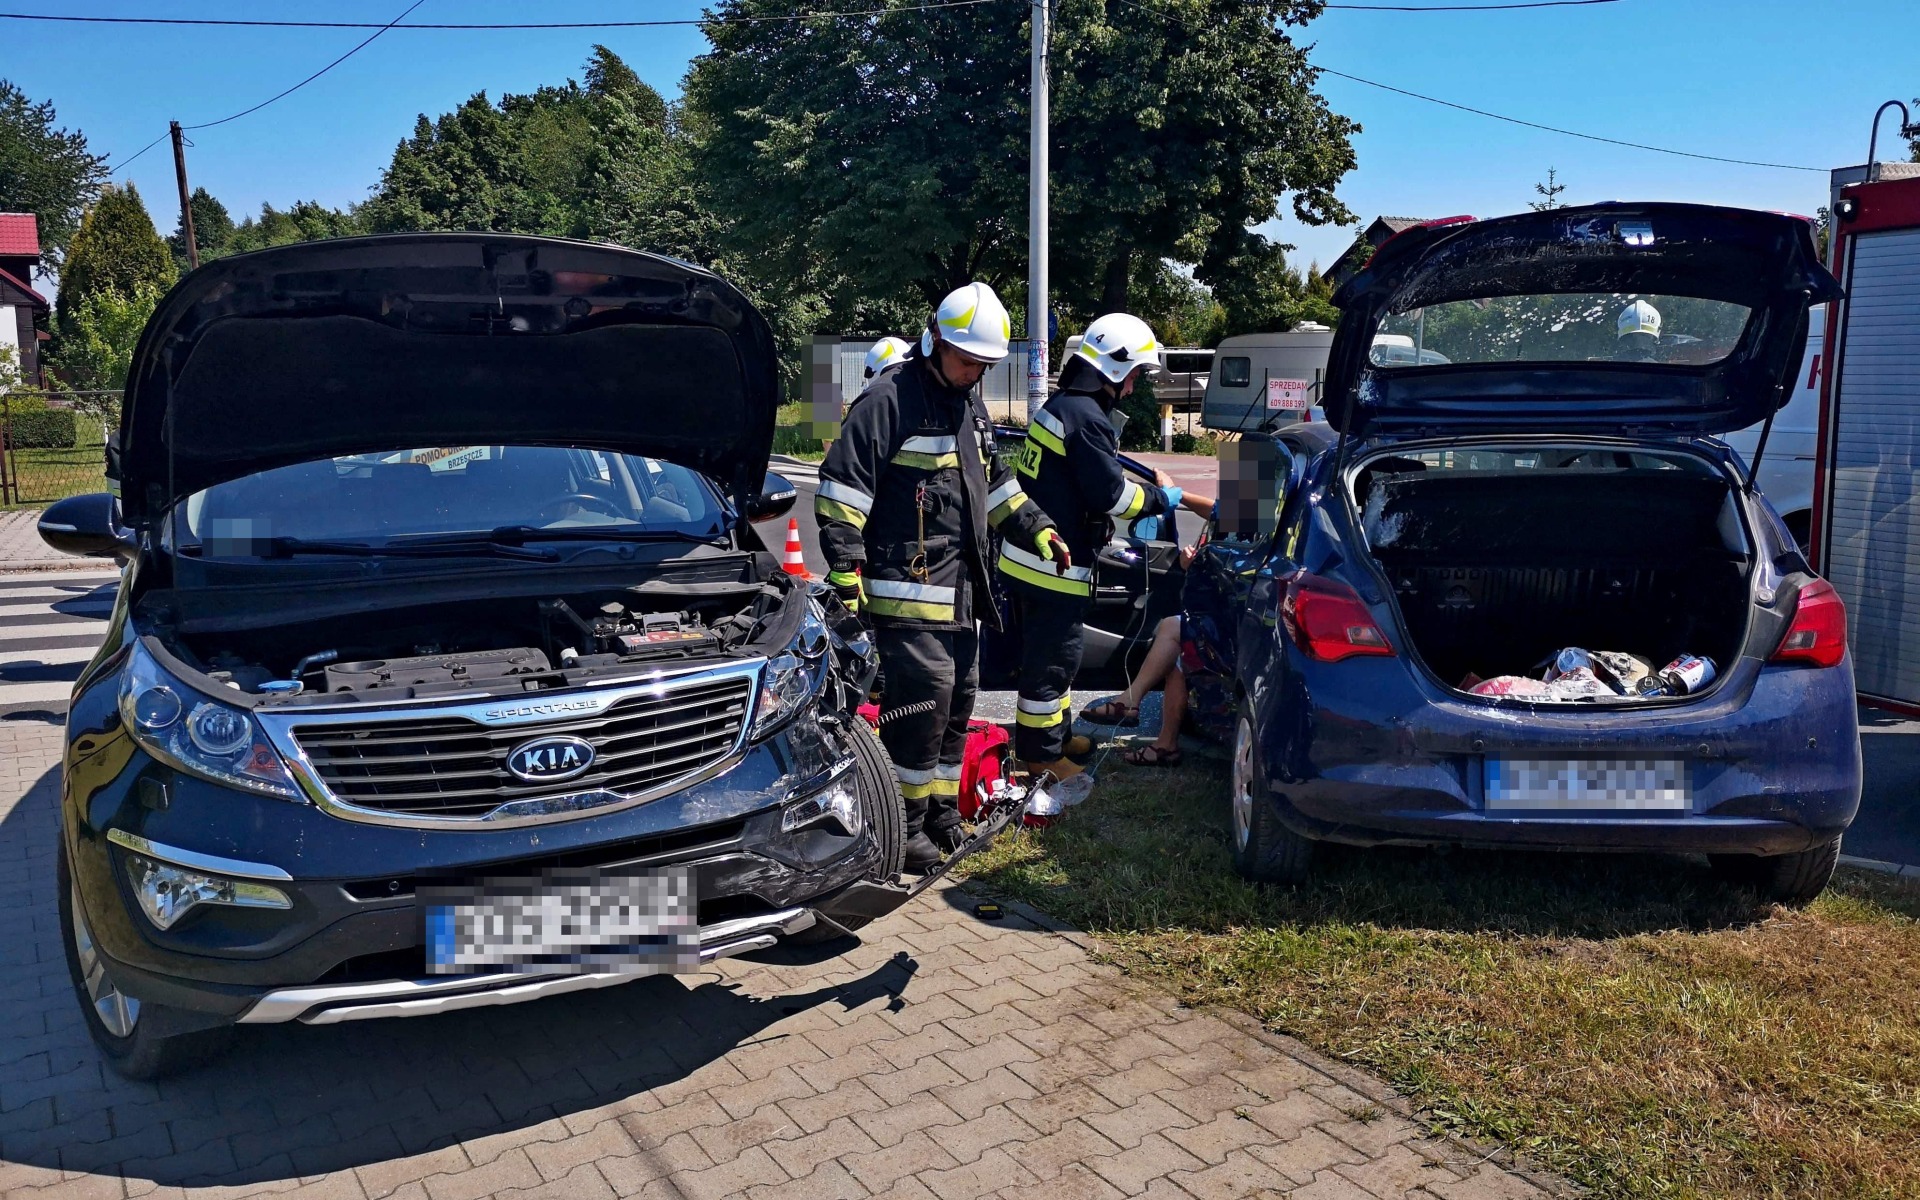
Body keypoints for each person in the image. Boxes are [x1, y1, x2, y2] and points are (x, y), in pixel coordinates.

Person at [814, 282, 1067, 871]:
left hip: (961, 595)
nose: (974, 373)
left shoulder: (966, 401)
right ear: (934, 339)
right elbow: (841, 491)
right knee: (920, 708)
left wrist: (1037, 528)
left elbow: (997, 483)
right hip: (904, 592)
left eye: (984, 365)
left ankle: (942, 813)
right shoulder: (887, 399)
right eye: (966, 360)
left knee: (958, 705)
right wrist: (848, 572)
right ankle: (901, 829)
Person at [999, 313, 1183, 781]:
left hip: (1032, 559)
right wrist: (1163, 499)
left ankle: (1056, 736)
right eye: (1137, 374)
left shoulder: (1062, 406)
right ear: (1117, 368)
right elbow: (1113, 497)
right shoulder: (1086, 419)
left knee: (1058, 657)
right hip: (1052, 566)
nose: (1137, 385)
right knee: (1052, 660)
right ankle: (1039, 755)